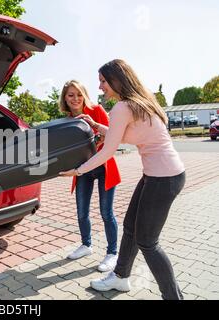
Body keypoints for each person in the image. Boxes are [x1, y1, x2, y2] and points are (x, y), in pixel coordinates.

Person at [60, 59, 186, 300]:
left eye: (103, 81)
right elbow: (127, 134)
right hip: (160, 175)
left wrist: (78, 171)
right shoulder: (142, 101)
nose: (100, 87)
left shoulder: (122, 108)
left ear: (117, 80)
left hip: (163, 179)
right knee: (130, 227)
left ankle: (173, 297)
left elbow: (108, 151)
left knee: (148, 242)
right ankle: (120, 277)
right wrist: (97, 125)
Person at [59, 80, 121, 272]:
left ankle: (112, 253)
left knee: (106, 212)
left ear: (84, 95)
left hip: (104, 168)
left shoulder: (97, 110)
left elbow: (112, 138)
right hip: (83, 170)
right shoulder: (67, 120)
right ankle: (86, 245)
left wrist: (98, 135)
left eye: (79, 94)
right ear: (65, 98)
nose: (75, 99)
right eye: (71, 95)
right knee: (81, 212)